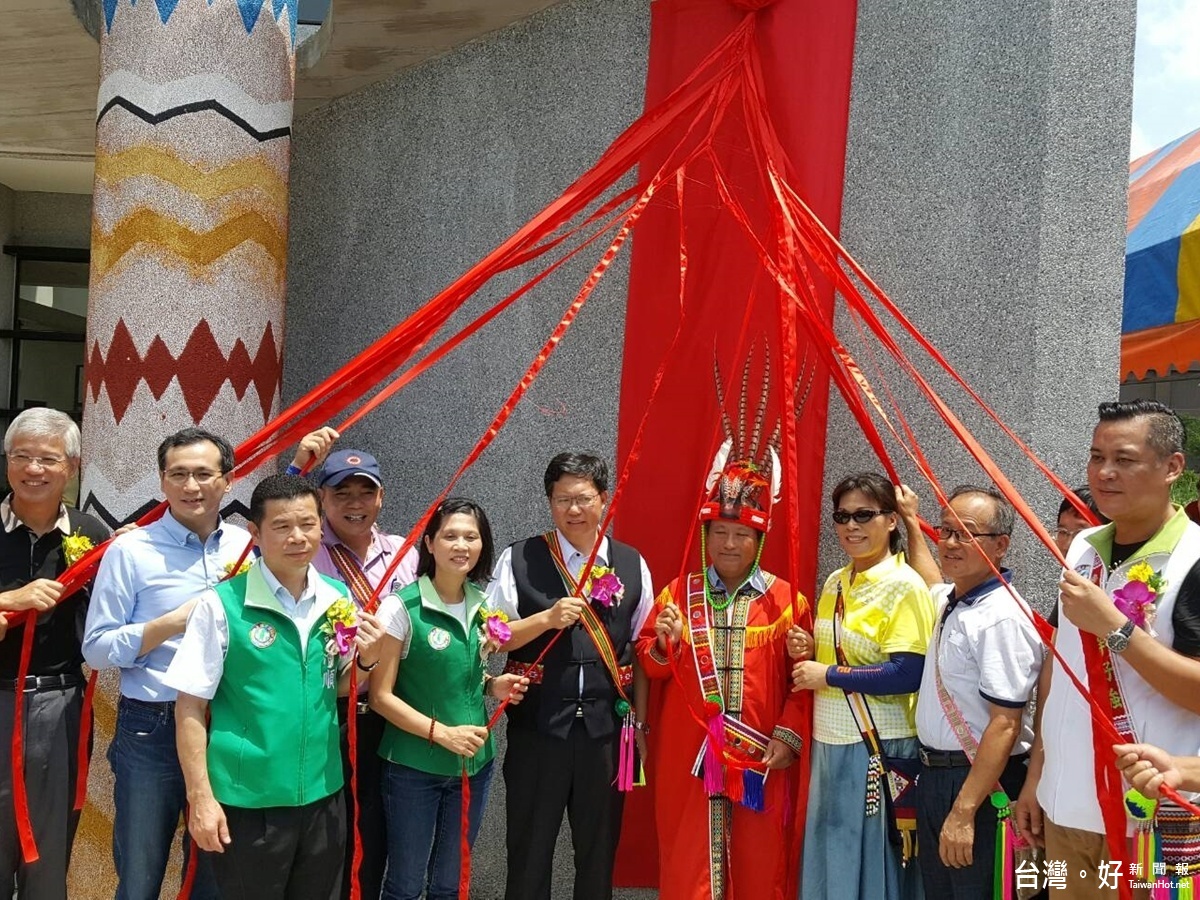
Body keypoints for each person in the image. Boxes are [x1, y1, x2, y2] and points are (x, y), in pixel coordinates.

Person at [164, 474, 384, 900]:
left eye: (307, 524)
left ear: (322, 526)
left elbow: (335, 687)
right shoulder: (222, 604)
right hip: (250, 802)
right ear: (256, 534)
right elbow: (189, 707)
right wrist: (201, 800)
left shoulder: (336, 597)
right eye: (282, 526)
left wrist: (369, 660)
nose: (297, 537)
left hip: (323, 796)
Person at [1015, 399, 1200, 898]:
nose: (1105, 473)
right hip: (1066, 804)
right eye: (1097, 457)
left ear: (1172, 468)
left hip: (1154, 814)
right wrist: (1037, 773)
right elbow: (1062, 662)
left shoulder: (1194, 558)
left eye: (1124, 459)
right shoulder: (1083, 546)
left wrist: (1117, 629)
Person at [635, 437, 809, 899]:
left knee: (759, 863)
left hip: (760, 760)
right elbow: (650, 671)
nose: (730, 544)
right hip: (687, 759)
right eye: (720, 533)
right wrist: (664, 644)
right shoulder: (677, 594)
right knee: (689, 863)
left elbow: (804, 685)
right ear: (707, 535)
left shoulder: (788, 602)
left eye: (742, 535)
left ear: (758, 540)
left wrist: (789, 736)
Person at [83, 427, 250, 900]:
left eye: (203, 474)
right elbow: (96, 649)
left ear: (228, 481)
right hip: (151, 726)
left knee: (215, 875)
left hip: (225, 725)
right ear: (162, 482)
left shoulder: (245, 549)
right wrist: (173, 622)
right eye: (178, 474)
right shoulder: (131, 551)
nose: (190, 486)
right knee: (140, 875)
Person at [487, 452, 654, 900]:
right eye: (562, 500)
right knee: (528, 852)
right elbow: (491, 637)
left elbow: (641, 651)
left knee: (598, 855)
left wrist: (639, 723)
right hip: (537, 732)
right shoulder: (519, 557)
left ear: (604, 499)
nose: (573, 510)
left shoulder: (632, 562)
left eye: (583, 498)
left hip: (606, 734)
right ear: (549, 503)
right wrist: (544, 620)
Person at [370, 497, 528, 900]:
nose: (461, 546)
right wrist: (441, 734)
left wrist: (494, 686)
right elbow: (380, 697)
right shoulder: (401, 607)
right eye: (450, 536)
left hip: (474, 767)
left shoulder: (482, 604)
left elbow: (464, 677)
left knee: (449, 884)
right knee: (404, 885)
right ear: (429, 543)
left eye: (471, 537)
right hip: (412, 769)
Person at [288, 428, 418, 899]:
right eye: (341, 492)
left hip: (388, 714)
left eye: (366, 492)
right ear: (322, 498)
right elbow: (259, 535)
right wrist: (295, 468)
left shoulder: (406, 555)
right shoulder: (303, 551)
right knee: (329, 834)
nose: (354, 502)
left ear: (381, 498)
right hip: (328, 714)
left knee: (379, 829)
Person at [793, 471, 935, 900]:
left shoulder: (904, 586)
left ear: (892, 520)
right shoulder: (836, 581)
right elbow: (837, 650)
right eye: (842, 516)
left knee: (877, 862)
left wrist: (829, 675)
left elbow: (908, 672)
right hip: (829, 741)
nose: (851, 526)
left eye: (864, 515)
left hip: (879, 748)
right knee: (831, 853)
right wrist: (806, 646)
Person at [909, 485, 1042, 897]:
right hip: (937, 776)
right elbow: (930, 575)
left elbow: (1005, 723)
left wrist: (965, 811)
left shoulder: (1000, 617)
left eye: (963, 534)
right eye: (944, 531)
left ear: (1001, 545)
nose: (948, 543)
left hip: (979, 785)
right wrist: (911, 519)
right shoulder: (955, 599)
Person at [0, 408, 109, 899]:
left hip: (60, 704)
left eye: (47, 458)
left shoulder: (92, 535)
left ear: (72, 465)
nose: (33, 469)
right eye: (22, 456)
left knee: (48, 847)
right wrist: (9, 599)